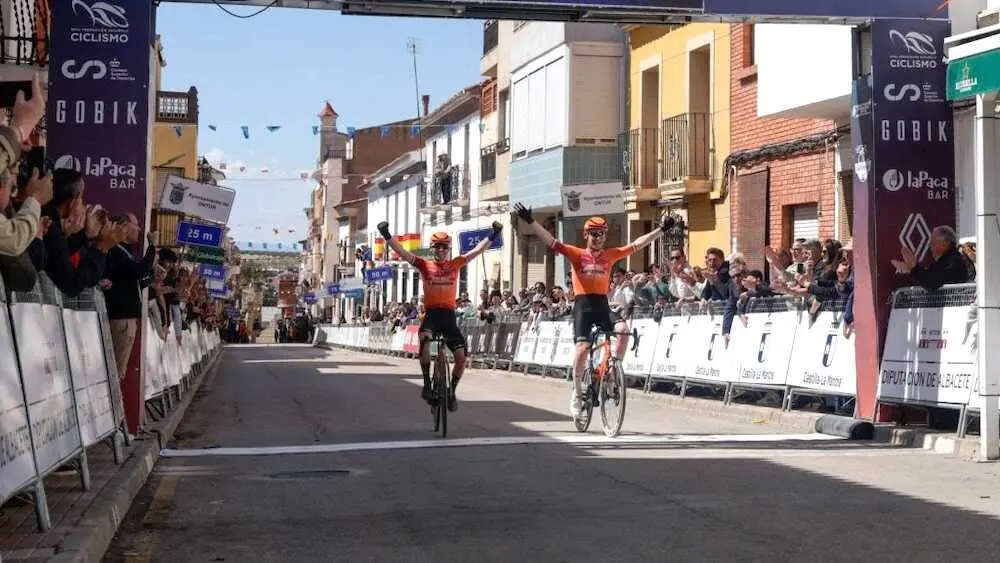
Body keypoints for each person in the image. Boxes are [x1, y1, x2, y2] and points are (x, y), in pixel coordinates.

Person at [511, 203, 674, 417]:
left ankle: (614, 369)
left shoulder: (610, 255)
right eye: (593, 234)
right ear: (586, 236)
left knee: (623, 330)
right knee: (582, 349)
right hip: (583, 306)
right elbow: (551, 242)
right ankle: (577, 393)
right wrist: (531, 222)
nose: (597, 238)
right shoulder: (576, 254)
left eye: (601, 234)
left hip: (602, 305)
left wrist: (661, 230)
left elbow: (636, 244)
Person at [378, 220, 502, 411]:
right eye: (438, 247)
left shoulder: (456, 264)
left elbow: (477, 251)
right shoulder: (424, 265)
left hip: (449, 317)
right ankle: (427, 384)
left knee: (461, 358)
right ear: (433, 249)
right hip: (432, 316)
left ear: (449, 249)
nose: (441, 250)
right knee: (425, 341)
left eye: (445, 247)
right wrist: (386, 234)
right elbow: (403, 253)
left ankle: (451, 391)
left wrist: (493, 235)